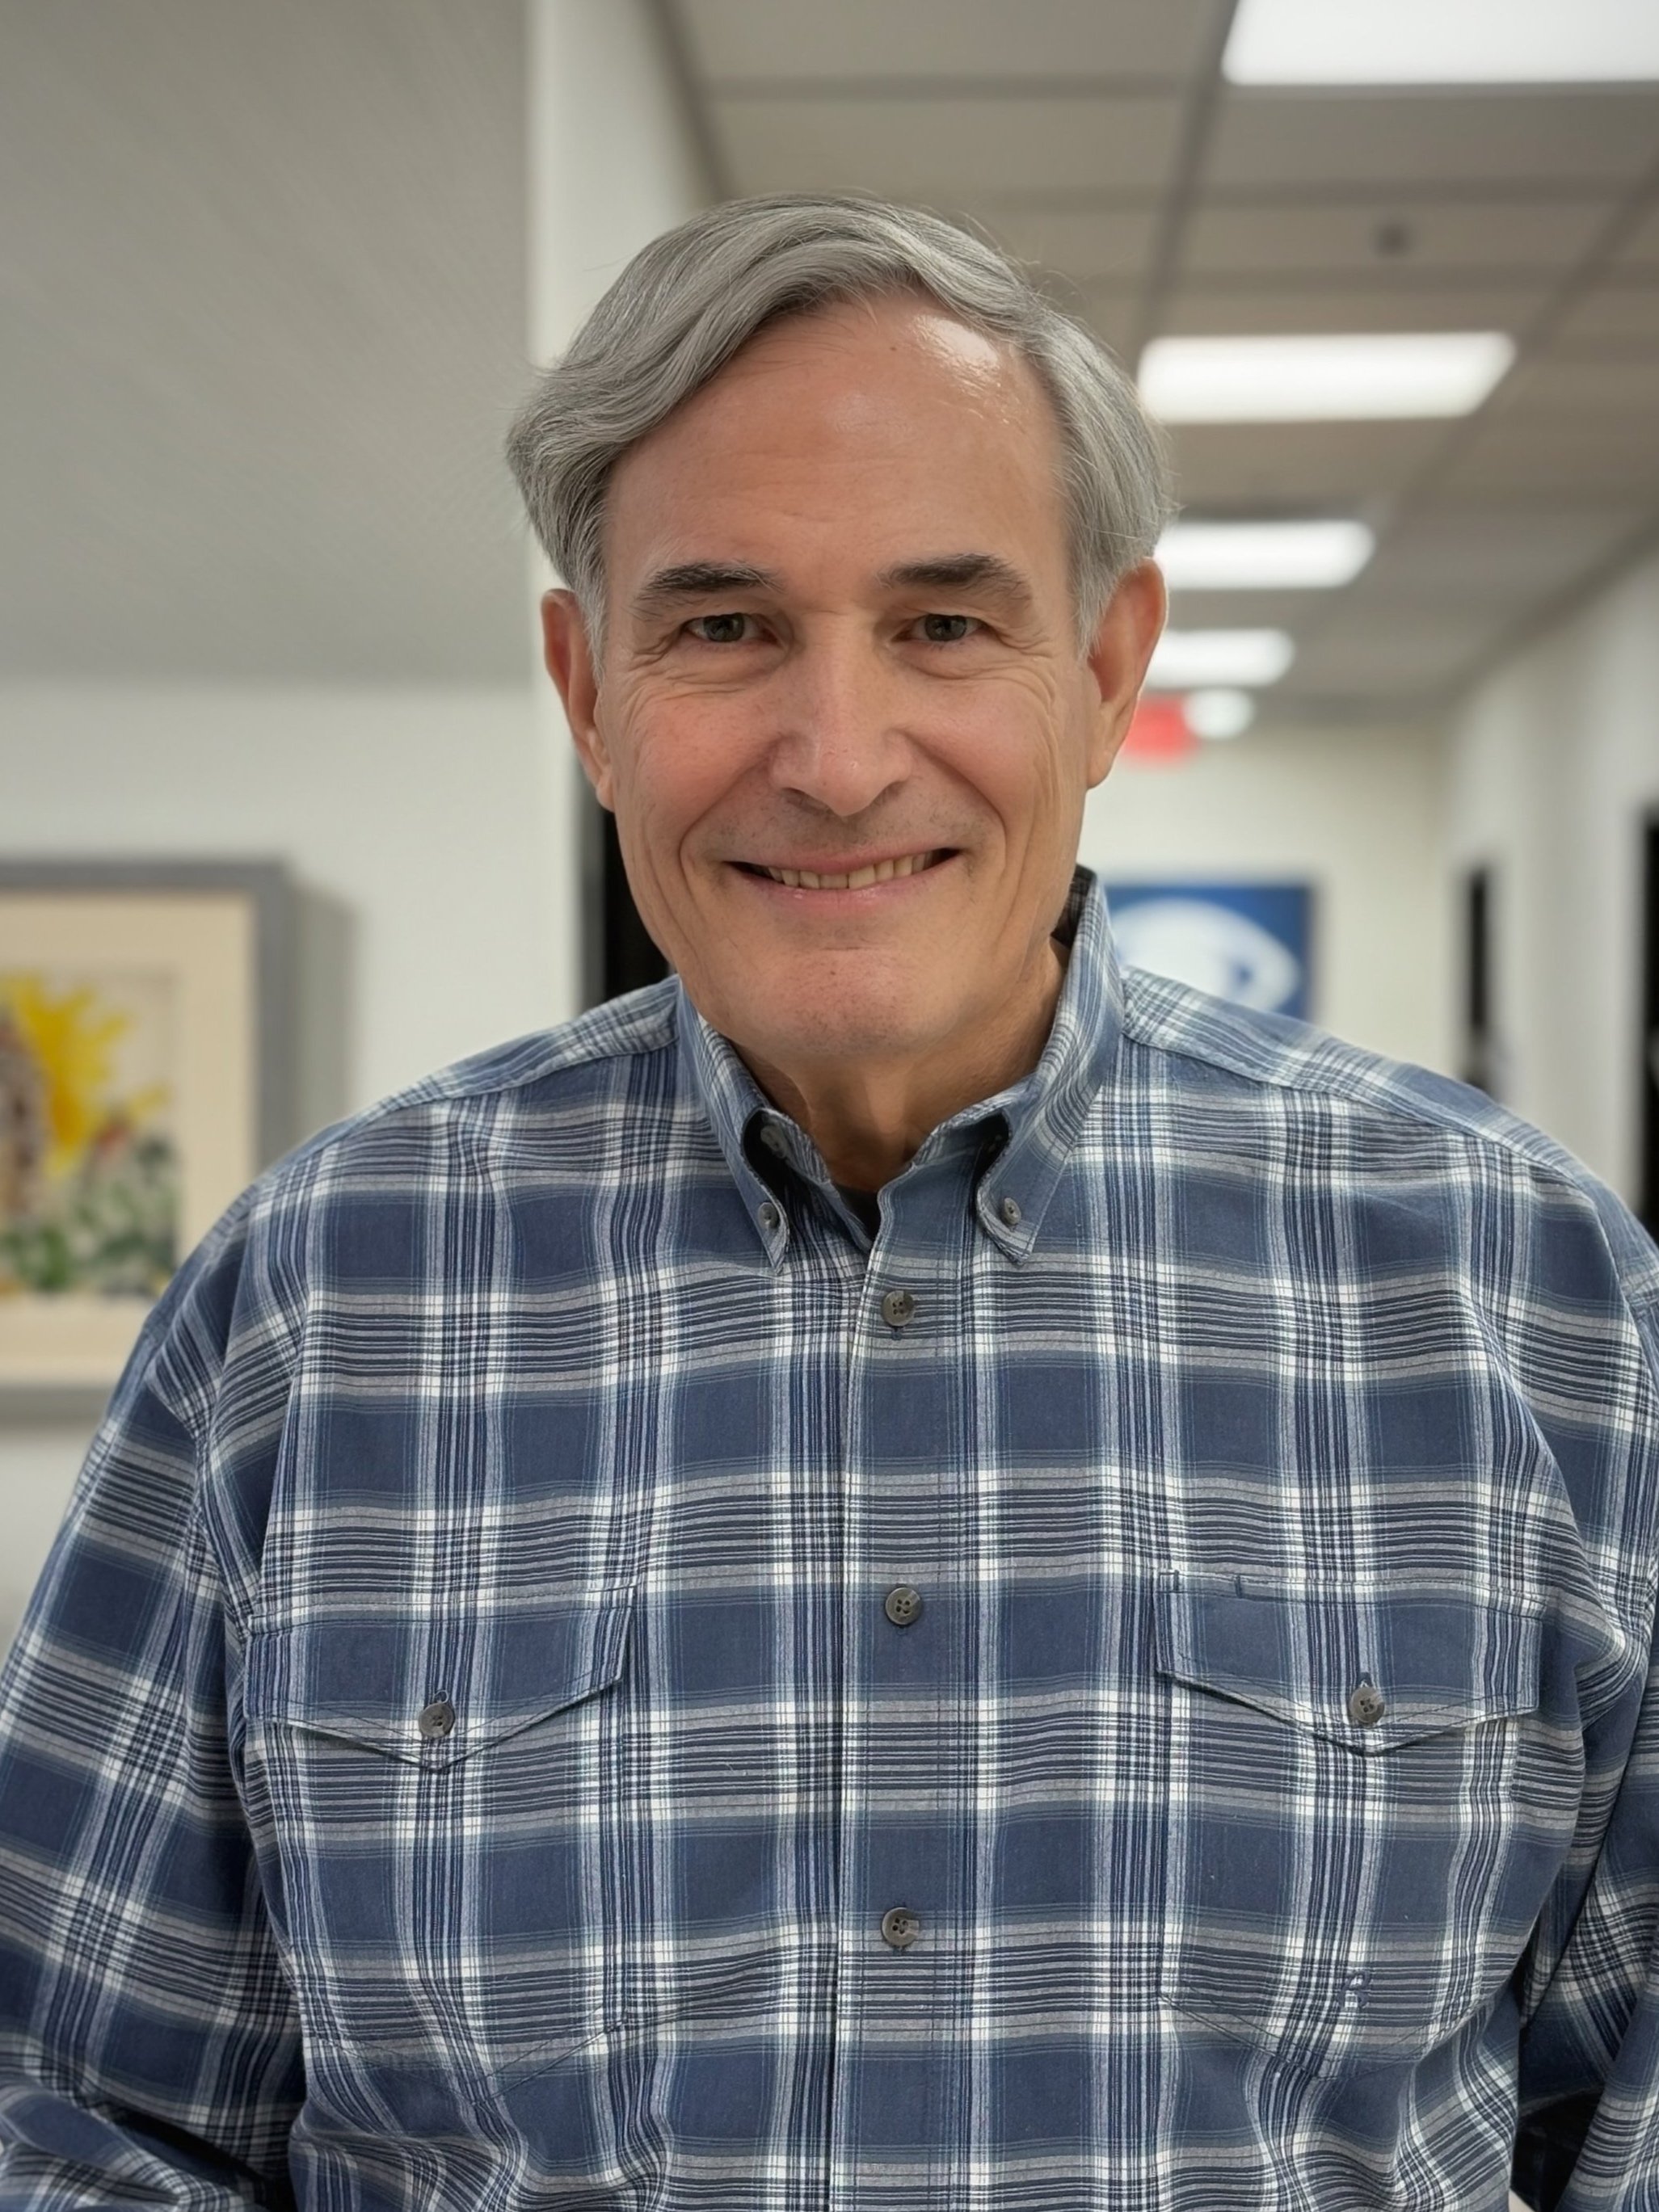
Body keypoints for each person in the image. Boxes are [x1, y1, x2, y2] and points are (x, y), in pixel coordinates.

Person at [0, 193, 1655, 2212]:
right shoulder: (316, 1303)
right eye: (722, 627)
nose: (839, 755)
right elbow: (76, 2109)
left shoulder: (1528, 1292)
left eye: (945, 625)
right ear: (585, 688)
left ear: (1110, 665)